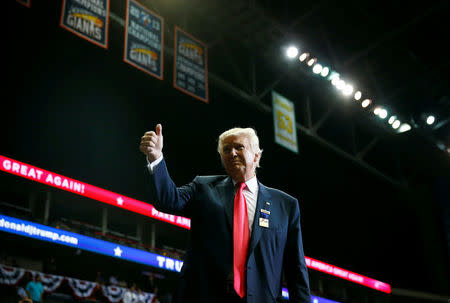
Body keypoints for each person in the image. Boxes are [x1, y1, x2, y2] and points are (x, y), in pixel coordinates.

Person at [139, 125, 311, 303]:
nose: (232, 153)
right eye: (226, 150)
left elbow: (295, 268)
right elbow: (168, 199)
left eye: (239, 147)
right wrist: (156, 157)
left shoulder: (285, 205)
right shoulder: (203, 187)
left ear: (256, 155)